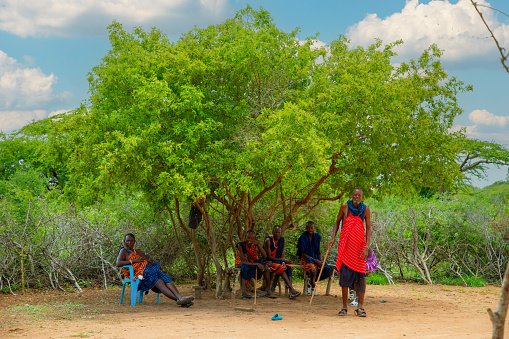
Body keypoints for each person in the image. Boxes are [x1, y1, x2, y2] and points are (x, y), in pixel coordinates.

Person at [116, 233, 194, 307]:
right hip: (139, 275)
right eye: (128, 241)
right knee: (159, 280)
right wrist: (134, 261)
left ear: (134, 242)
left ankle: (180, 298)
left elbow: (149, 261)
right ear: (124, 242)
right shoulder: (124, 251)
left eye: (132, 241)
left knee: (164, 277)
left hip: (149, 270)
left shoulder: (138, 251)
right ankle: (179, 298)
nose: (130, 242)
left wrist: (142, 257)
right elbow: (118, 263)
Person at [328, 188, 372, 317]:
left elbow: (368, 229)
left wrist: (367, 247)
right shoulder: (345, 206)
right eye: (355, 195)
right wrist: (333, 238)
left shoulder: (365, 209)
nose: (356, 197)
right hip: (346, 248)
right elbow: (337, 222)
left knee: (361, 278)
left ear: (362, 197)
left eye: (359, 195)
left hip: (359, 249)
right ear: (351, 195)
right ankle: (344, 307)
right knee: (345, 278)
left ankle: (360, 308)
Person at [235, 230, 276, 299]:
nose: (250, 240)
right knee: (245, 268)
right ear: (245, 237)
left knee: (265, 267)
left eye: (252, 238)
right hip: (242, 263)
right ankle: (244, 292)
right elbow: (243, 261)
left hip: (253, 261)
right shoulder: (241, 245)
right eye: (248, 238)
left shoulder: (255, 244)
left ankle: (268, 290)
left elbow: (265, 256)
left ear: (255, 239)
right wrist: (256, 264)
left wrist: (258, 245)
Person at [263, 226, 301, 299]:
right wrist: (283, 261)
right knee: (281, 267)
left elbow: (282, 254)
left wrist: (283, 261)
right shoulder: (268, 240)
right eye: (276, 232)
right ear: (273, 232)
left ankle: (290, 292)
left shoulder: (282, 240)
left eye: (279, 232)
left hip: (278, 261)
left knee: (289, 267)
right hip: (268, 261)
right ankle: (292, 289)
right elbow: (268, 257)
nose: (277, 234)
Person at [296, 221, 333, 294]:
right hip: (307, 259)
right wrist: (316, 261)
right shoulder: (303, 237)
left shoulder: (317, 237)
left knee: (329, 271)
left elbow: (319, 251)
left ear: (314, 228)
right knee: (312, 269)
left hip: (316, 258)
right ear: (306, 228)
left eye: (311, 228)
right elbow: (303, 253)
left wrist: (320, 262)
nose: (310, 230)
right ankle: (313, 285)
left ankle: (310, 281)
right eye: (308, 228)